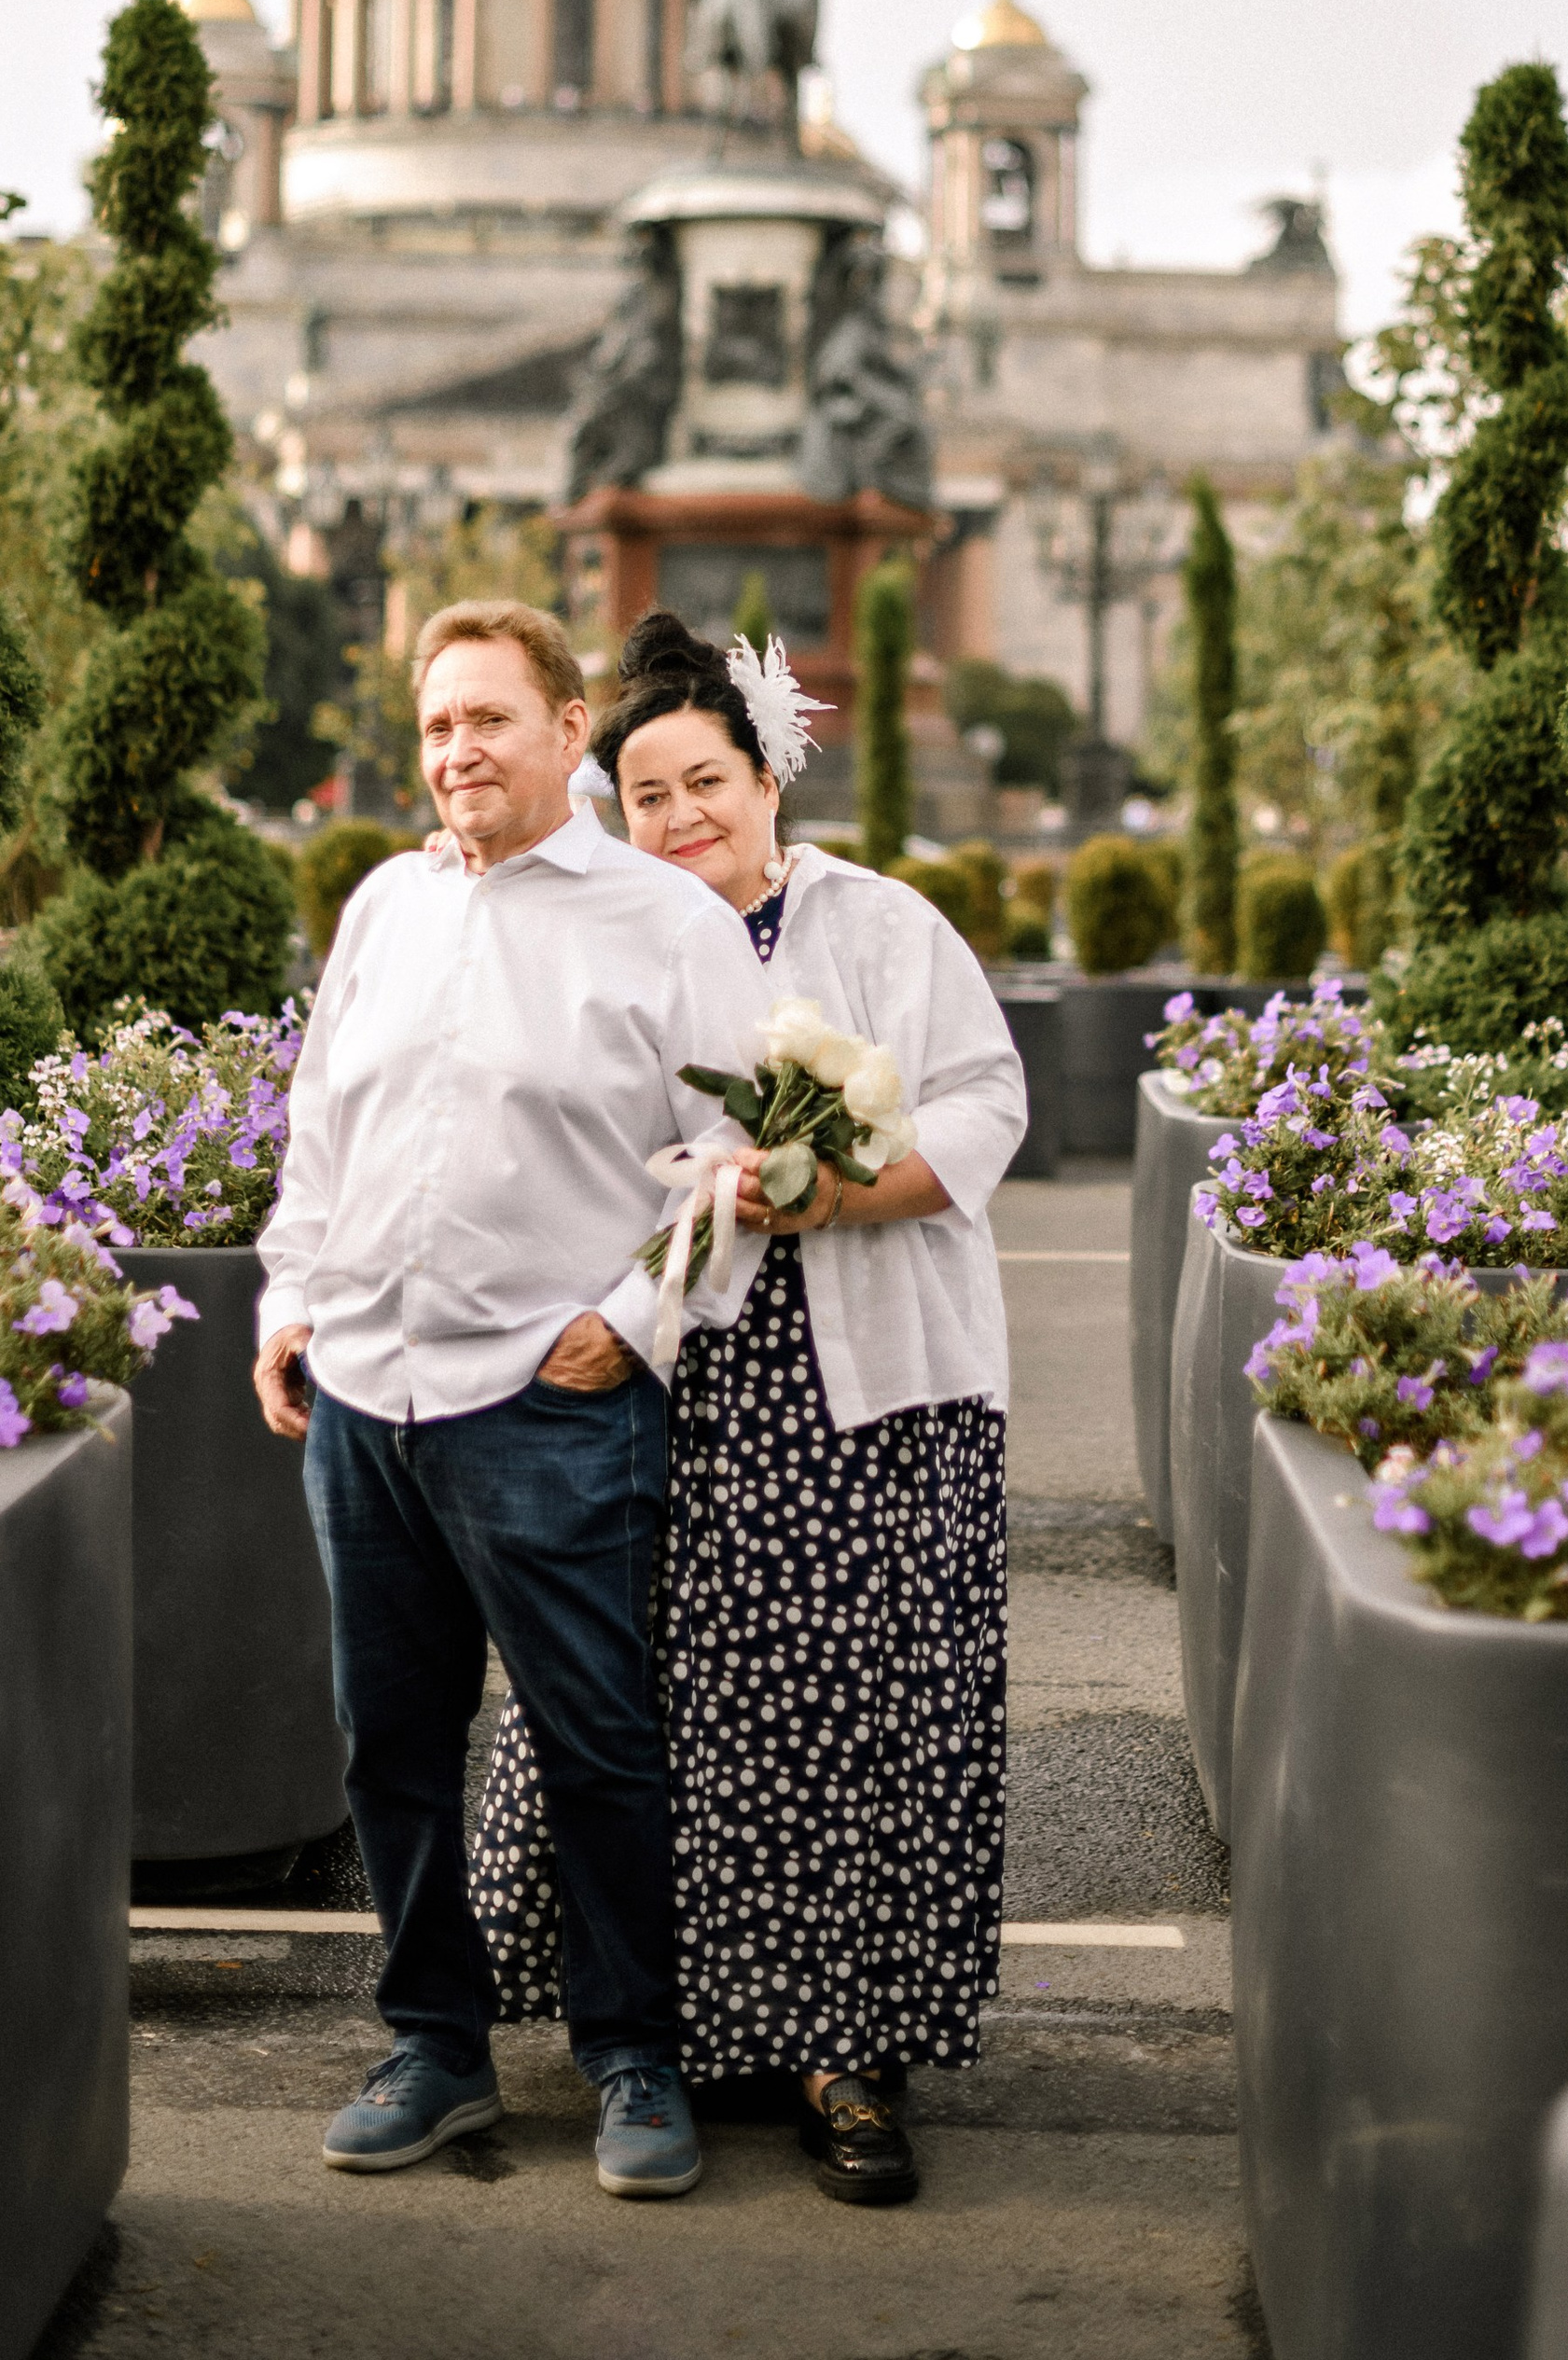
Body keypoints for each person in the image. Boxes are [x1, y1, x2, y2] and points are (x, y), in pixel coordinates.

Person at [471, 610, 1025, 2208]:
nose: (680, 817)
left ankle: (847, 2052)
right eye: (647, 796)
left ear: (769, 775)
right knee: (659, 1699)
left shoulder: (880, 924)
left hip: (873, 1396)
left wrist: (837, 1194)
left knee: (851, 1708)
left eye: (704, 781)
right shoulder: (606, 942)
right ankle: (668, 2030)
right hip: (667, 1380)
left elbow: (986, 1103)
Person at [253, 599, 770, 2200]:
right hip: (364, 1396)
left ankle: (633, 2056)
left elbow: (737, 1158)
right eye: (436, 725)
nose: (458, 750)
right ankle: (437, 2047)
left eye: (488, 718)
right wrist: (289, 1300)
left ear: (567, 731)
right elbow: (322, 1131)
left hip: (549, 1401)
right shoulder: (385, 906)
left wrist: (636, 1321)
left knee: (597, 1741)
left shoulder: (665, 923)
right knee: (390, 1748)